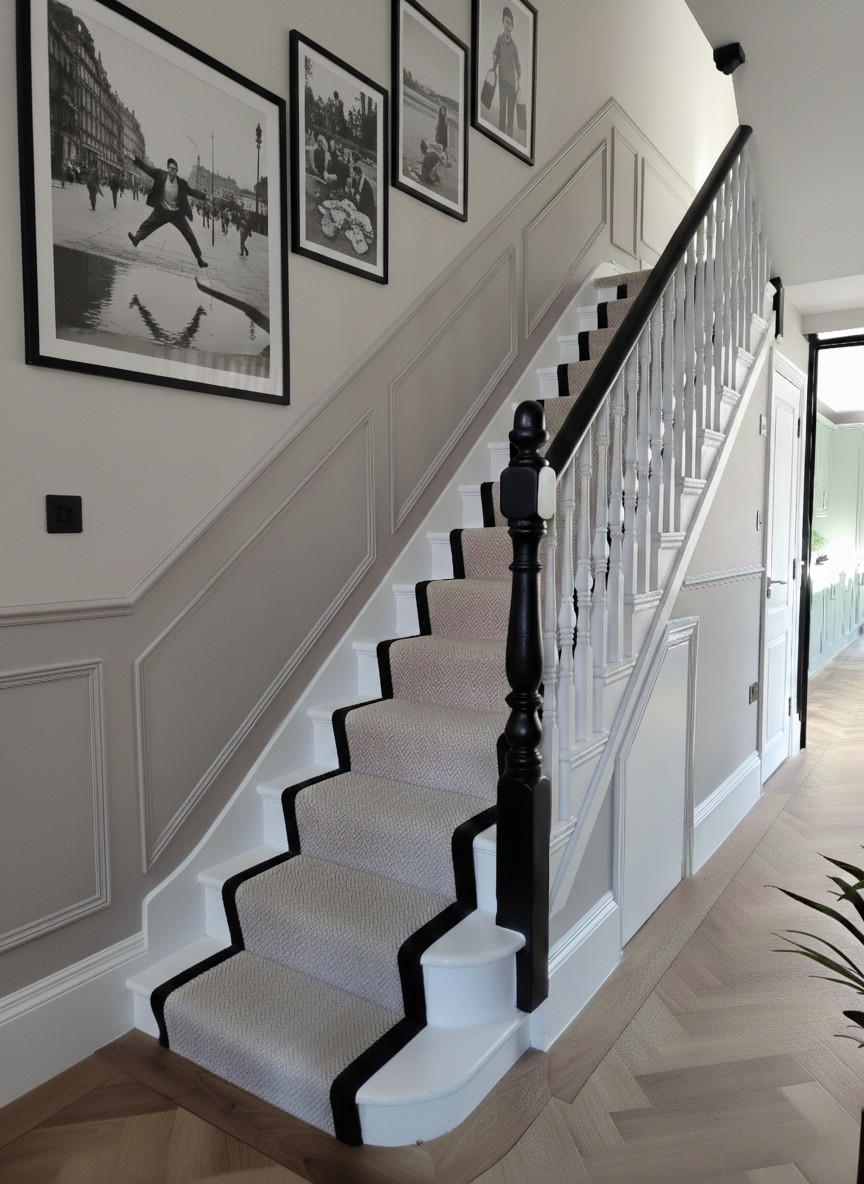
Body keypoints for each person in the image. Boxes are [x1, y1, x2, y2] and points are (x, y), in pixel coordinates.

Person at [127, 156, 209, 268]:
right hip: (161, 211)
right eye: (171, 168)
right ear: (168, 168)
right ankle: (136, 239)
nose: (172, 171)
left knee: (190, 235)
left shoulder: (181, 183)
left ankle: (199, 259)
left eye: (175, 169)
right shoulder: (160, 175)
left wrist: (204, 196)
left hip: (176, 214)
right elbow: (147, 169)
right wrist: (135, 160)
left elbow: (191, 191)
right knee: (147, 225)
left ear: (177, 171)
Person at [492, 6, 521, 138]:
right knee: (502, 108)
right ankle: (501, 134)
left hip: (512, 82)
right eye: (506, 22)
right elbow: (496, 54)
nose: (508, 26)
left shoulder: (514, 46)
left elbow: (518, 65)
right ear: (502, 23)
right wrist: (495, 61)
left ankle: (509, 136)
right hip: (502, 79)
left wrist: (519, 76)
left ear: (513, 26)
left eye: (510, 24)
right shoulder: (499, 39)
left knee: (510, 110)